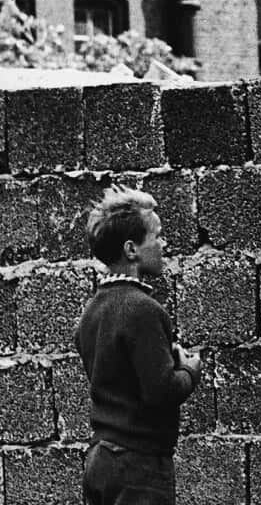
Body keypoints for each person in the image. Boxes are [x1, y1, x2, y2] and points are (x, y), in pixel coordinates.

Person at [75, 187, 203, 505]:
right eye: (156, 236)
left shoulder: (93, 309)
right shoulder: (143, 309)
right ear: (132, 249)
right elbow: (161, 392)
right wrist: (189, 370)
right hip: (140, 467)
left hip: (101, 460)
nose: (164, 244)